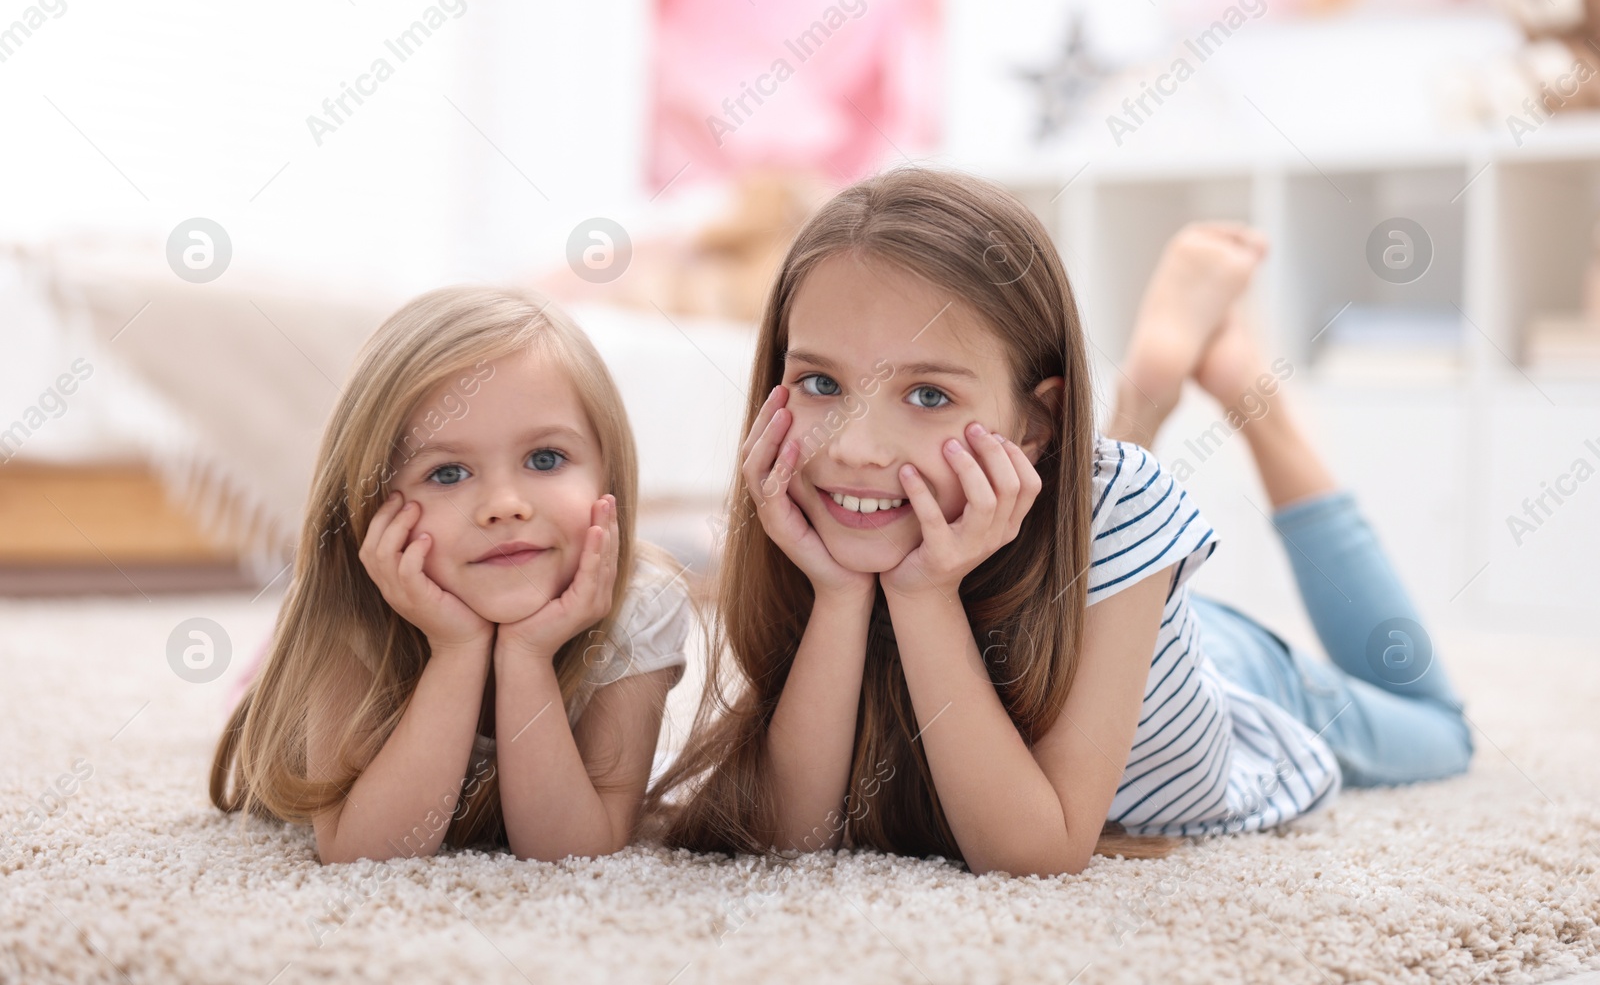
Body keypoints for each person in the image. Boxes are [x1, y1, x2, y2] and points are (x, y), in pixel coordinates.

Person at [646, 167, 1473, 876]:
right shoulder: (818, 523)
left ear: (1039, 422)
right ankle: (1145, 401)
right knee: (1092, 518)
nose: (855, 448)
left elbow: (1037, 850)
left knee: (1443, 734)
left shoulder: (1120, 504)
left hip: (1218, 674)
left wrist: (926, 594)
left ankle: (1252, 402)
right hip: (1088, 586)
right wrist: (836, 593)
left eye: (928, 395)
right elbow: (792, 839)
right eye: (821, 383)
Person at [211, 286, 694, 864]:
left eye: (545, 459)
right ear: (372, 505)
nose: (504, 505)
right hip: (330, 657)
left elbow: (572, 850)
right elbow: (365, 853)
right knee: (264, 686)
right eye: (447, 473)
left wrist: (527, 657)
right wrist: (457, 648)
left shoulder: (640, 603)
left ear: (608, 474)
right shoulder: (354, 605)